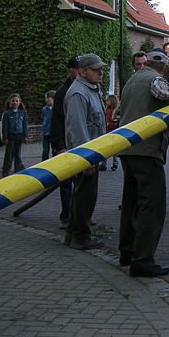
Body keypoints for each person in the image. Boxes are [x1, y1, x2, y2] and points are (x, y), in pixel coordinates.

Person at [119, 49, 169, 278]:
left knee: (131, 202)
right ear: (166, 68)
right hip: (147, 150)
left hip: (128, 147)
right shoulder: (154, 79)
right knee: (152, 205)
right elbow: (164, 93)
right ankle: (143, 260)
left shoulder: (132, 79)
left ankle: (127, 252)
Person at [63, 53, 108, 251]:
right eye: (95, 69)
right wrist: (87, 158)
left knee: (83, 194)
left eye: (101, 69)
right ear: (82, 71)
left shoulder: (90, 90)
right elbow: (77, 128)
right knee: (84, 196)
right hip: (86, 155)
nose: (100, 72)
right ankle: (80, 236)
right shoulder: (79, 94)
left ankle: (73, 233)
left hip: (92, 152)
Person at [50, 56, 80, 229]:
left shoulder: (83, 88)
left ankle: (81, 214)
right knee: (67, 183)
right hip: (66, 143)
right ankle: (66, 216)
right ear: (70, 71)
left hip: (78, 142)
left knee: (82, 182)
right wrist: (59, 146)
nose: (80, 71)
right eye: (76, 68)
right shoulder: (63, 92)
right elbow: (57, 122)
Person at [0, 94, 29, 177]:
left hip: (19, 135)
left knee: (18, 154)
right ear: (10, 102)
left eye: (17, 101)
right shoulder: (7, 113)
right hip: (10, 136)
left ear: (19, 102)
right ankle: (5, 172)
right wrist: (4, 137)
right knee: (9, 154)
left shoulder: (22, 113)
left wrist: (25, 136)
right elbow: (5, 126)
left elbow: (24, 125)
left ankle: (18, 170)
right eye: (13, 101)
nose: (15, 103)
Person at [105, 94, 121, 171]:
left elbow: (117, 122)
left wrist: (109, 125)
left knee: (115, 149)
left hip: (114, 131)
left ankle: (115, 163)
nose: (106, 102)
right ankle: (103, 163)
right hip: (107, 131)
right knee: (105, 148)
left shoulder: (116, 110)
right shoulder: (107, 110)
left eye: (108, 100)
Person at [41, 91, 55, 161]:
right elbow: (43, 119)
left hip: (54, 132)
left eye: (48, 98)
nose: (46, 100)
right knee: (45, 151)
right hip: (46, 132)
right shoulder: (44, 109)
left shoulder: (56, 109)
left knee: (55, 150)